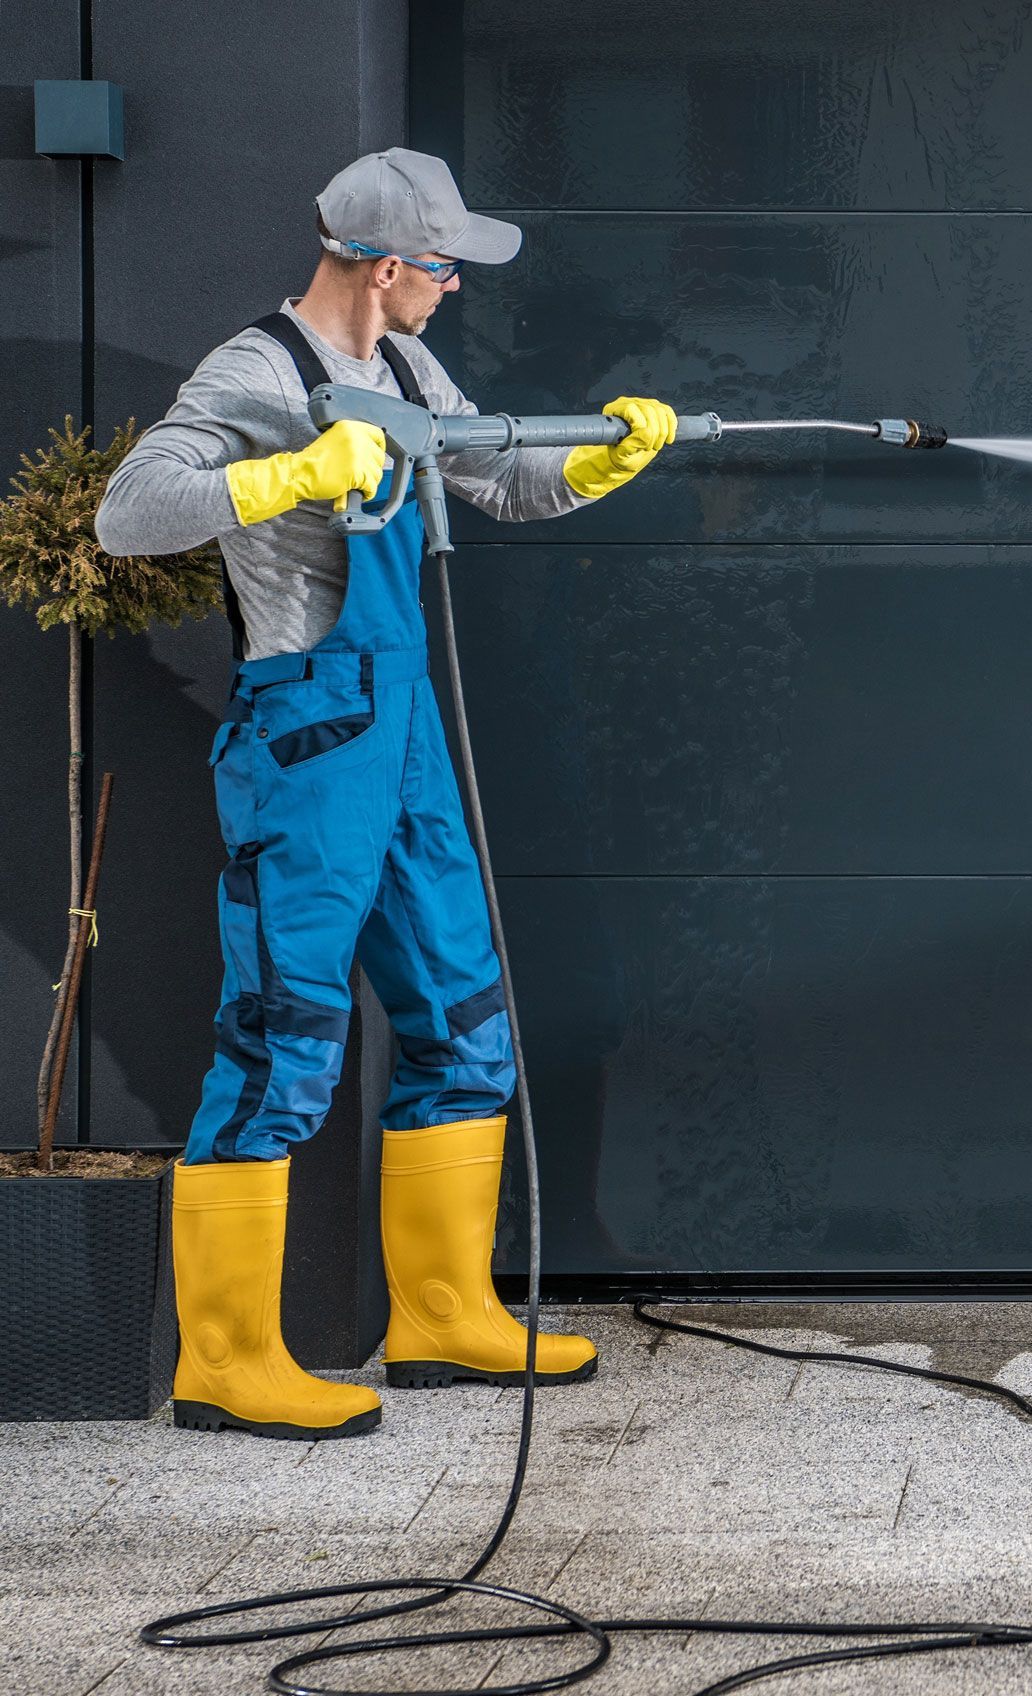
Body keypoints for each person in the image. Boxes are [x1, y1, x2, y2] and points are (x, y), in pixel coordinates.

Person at [94, 148, 675, 1440]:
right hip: (306, 744)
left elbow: (491, 474)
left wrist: (599, 457)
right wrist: (287, 475)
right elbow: (127, 517)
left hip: (403, 741)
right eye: (444, 263)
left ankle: (441, 1317)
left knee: (467, 1010)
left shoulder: (409, 369)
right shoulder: (257, 374)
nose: (456, 284)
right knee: (283, 1037)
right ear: (381, 263)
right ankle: (228, 1362)